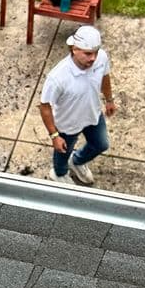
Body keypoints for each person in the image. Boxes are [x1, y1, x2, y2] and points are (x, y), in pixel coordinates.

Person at [39, 24, 117, 185]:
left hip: (93, 114)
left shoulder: (101, 58)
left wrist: (109, 100)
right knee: (62, 152)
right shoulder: (57, 77)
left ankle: (77, 161)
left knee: (101, 144)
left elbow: (105, 77)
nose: (93, 58)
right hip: (68, 124)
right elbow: (45, 107)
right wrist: (55, 136)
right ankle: (59, 173)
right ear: (74, 49)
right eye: (88, 54)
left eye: (95, 53)